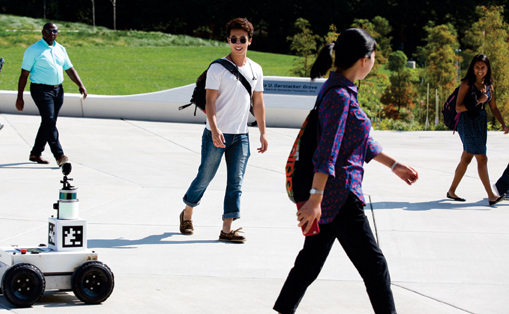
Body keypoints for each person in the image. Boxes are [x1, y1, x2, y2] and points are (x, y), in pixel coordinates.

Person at [273, 28, 419, 314]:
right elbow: (327, 151)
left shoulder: (337, 90)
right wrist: (315, 199)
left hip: (328, 197)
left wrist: (393, 164)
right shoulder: (339, 96)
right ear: (364, 59)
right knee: (375, 267)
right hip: (339, 197)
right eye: (374, 56)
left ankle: (283, 310)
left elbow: (355, 140)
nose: (375, 61)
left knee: (310, 263)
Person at [179, 17, 268, 243]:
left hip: (241, 136)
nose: (238, 43)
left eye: (242, 39)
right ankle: (187, 212)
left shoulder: (256, 69)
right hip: (215, 134)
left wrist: (263, 132)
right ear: (228, 40)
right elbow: (210, 101)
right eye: (233, 39)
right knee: (205, 177)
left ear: (250, 40)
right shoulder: (217, 68)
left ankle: (226, 228)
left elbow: (258, 103)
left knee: (235, 182)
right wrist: (215, 129)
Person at [15, 22, 88, 167]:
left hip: (58, 90)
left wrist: (80, 84)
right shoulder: (33, 50)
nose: (52, 33)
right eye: (49, 30)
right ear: (42, 32)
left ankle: (35, 153)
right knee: (49, 121)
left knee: (49, 122)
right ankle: (59, 155)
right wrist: (20, 96)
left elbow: (69, 69)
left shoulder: (61, 49)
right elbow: (24, 75)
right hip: (40, 90)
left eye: (54, 31)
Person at [446, 54, 508, 206]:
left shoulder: (489, 85)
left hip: (480, 122)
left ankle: (451, 191)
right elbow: (458, 107)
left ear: (487, 68)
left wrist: (503, 123)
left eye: (483, 67)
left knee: (467, 158)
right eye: (477, 67)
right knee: (482, 157)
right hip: (466, 122)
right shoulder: (467, 83)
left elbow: (493, 107)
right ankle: (491, 195)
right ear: (473, 68)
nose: (480, 70)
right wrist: (478, 101)